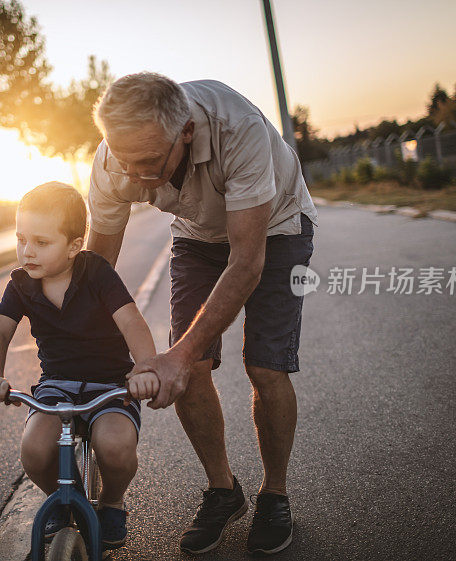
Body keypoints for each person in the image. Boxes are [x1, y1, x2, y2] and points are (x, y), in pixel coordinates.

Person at [87, 73, 318, 555]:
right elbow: (98, 269)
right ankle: (222, 490)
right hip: (196, 233)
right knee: (189, 369)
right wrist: (82, 342)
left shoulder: (239, 130)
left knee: (265, 364)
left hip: (275, 227)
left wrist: (176, 355)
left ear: (186, 132)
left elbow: (247, 261)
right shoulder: (117, 161)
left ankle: (274, 494)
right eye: (124, 161)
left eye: (149, 163)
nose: (133, 177)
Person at [0, 182, 159, 550]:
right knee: (35, 450)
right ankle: (65, 498)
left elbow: (132, 321)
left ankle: (113, 501)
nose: (27, 251)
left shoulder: (96, 272)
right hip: (57, 384)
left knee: (115, 446)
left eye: (41, 242)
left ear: (74, 246)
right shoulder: (22, 284)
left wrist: (146, 368)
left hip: (111, 384)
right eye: (21, 239)